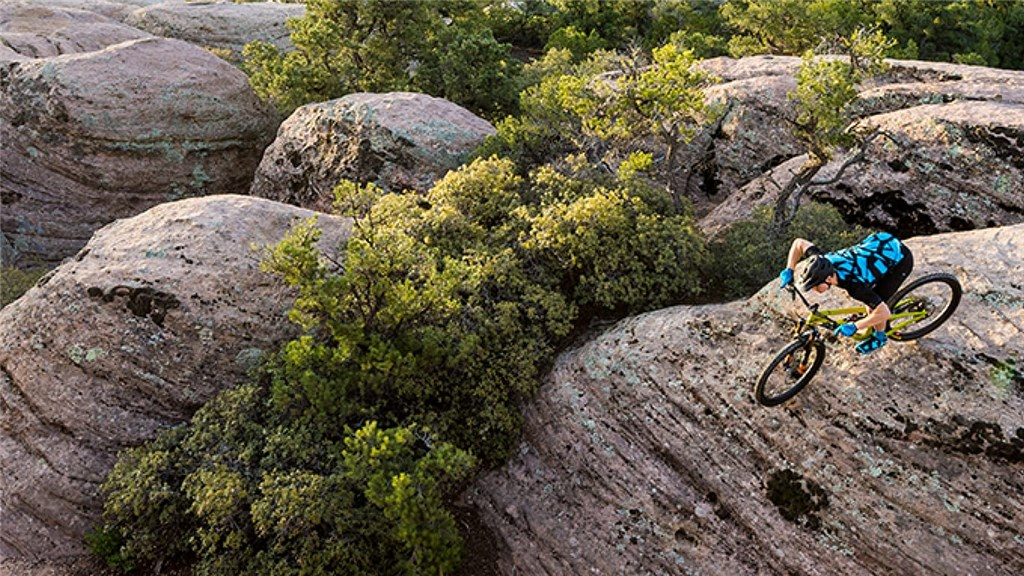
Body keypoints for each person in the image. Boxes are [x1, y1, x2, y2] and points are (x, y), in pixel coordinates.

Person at [778, 232, 914, 354]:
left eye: (815, 286)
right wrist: (789, 269)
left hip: (900, 259)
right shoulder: (823, 261)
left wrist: (856, 326)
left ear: (828, 278)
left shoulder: (855, 287)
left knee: (873, 308)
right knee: (872, 301)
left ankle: (880, 337)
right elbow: (799, 243)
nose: (814, 290)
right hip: (881, 242)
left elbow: (884, 313)